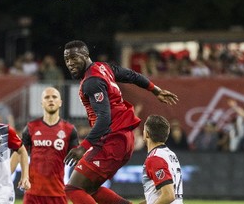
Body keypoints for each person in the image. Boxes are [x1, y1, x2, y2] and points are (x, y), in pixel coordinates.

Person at [63, 40, 178, 204]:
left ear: (86, 55)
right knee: (90, 189)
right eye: (67, 59)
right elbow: (131, 75)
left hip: (112, 140)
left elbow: (104, 118)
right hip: (123, 138)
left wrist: (84, 147)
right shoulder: (104, 68)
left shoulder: (92, 82)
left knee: (73, 189)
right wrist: (155, 89)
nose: (70, 63)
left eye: (74, 58)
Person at [13, 87, 79, 204]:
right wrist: (6, 174)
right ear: (42, 103)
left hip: (58, 194)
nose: (51, 100)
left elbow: (78, 161)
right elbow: (19, 153)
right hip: (32, 194)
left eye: (54, 97)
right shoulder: (30, 128)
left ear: (60, 103)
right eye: (47, 97)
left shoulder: (69, 130)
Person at [140, 115, 183, 204]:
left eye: (144, 129)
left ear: (147, 134)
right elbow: (157, 195)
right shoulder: (170, 154)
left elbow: (169, 196)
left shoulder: (155, 158)